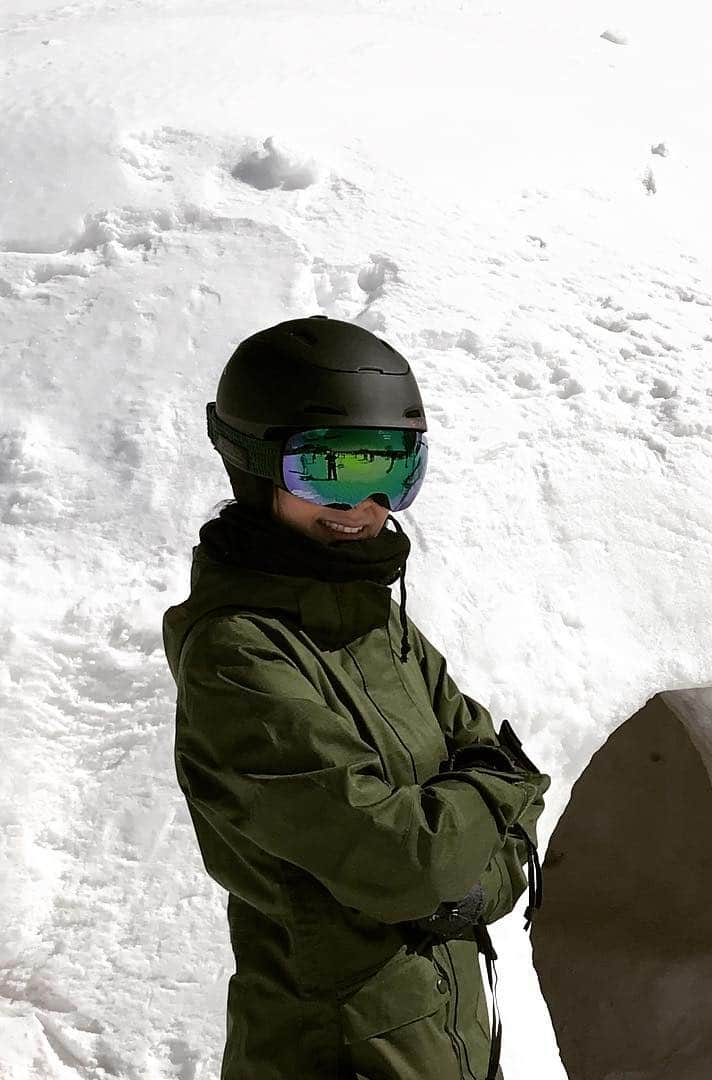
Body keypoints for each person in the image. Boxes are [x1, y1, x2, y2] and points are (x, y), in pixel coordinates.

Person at [162, 316, 550, 1080]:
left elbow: (513, 827)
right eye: (333, 472)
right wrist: (486, 800)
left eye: (395, 472)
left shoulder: (378, 621)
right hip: (333, 1051)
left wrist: (463, 889)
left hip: (449, 1042)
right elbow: (407, 860)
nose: (367, 504)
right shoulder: (239, 653)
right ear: (254, 461)